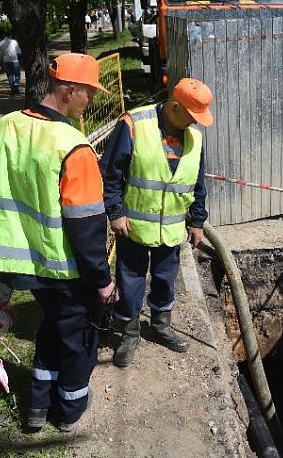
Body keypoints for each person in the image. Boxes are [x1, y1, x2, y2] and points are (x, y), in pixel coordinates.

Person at [0, 52, 119, 432]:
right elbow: (86, 227)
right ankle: (69, 411)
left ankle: (38, 408)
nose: (91, 101)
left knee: (54, 325)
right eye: (88, 93)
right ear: (69, 90)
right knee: (79, 337)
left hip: (18, 264)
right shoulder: (73, 146)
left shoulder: (5, 127)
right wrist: (103, 281)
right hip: (62, 266)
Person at [100, 77, 213, 368]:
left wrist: (197, 220)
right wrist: (115, 212)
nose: (196, 124)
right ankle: (129, 331)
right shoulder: (134, 124)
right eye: (192, 116)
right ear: (175, 106)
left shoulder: (195, 139)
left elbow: (197, 183)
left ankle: (161, 325)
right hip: (134, 227)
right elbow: (110, 173)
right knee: (130, 279)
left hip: (172, 230)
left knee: (165, 279)